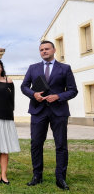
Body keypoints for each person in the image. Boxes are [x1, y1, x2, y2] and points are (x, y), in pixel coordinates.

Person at [21, 41, 78, 190]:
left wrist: (58, 96)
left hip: (58, 111)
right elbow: (24, 86)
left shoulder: (65, 68)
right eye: (41, 50)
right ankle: (37, 175)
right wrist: (34, 94)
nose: (44, 51)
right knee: (36, 144)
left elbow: (73, 90)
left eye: (47, 49)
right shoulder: (33, 68)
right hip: (38, 110)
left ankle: (60, 178)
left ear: (54, 50)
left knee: (61, 145)